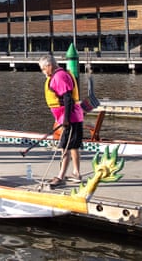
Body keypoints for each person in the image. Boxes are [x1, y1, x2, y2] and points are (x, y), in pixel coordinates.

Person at [38, 54, 84, 187]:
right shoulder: (58, 75)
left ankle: (60, 176)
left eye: (43, 69)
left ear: (49, 66)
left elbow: (68, 98)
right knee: (73, 146)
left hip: (70, 117)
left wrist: (66, 119)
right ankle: (76, 173)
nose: (43, 72)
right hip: (72, 116)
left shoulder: (59, 76)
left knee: (65, 147)